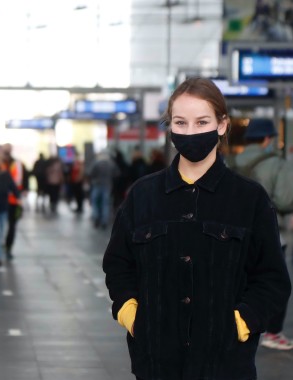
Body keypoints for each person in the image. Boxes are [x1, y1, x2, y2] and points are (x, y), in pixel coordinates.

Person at [103, 77, 291, 380]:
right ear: (170, 126)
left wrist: (239, 325)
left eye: (202, 121)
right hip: (156, 365)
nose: (190, 132)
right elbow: (118, 265)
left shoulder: (249, 198)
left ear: (222, 124)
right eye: (181, 122)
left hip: (226, 366)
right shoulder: (143, 196)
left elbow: (272, 279)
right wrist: (134, 318)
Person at [231, 117, 293, 350]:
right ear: (268, 139)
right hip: (269, 232)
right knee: (273, 280)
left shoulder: (230, 161)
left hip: (231, 232)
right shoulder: (277, 164)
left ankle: (238, 324)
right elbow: (286, 199)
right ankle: (273, 332)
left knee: (240, 280)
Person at [88, 149, 120, 229]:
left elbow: (90, 173)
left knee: (95, 202)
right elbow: (117, 173)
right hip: (107, 185)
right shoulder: (111, 163)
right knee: (105, 203)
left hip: (97, 184)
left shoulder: (96, 163)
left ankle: (96, 218)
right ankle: (104, 221)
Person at [2, 143, 24, 258]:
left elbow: (19, 181)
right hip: (4, 200)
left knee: (11, 225)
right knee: (4, 225)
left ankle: (8, 247)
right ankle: (4, 246)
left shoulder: (15, 164)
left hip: (11, 201)